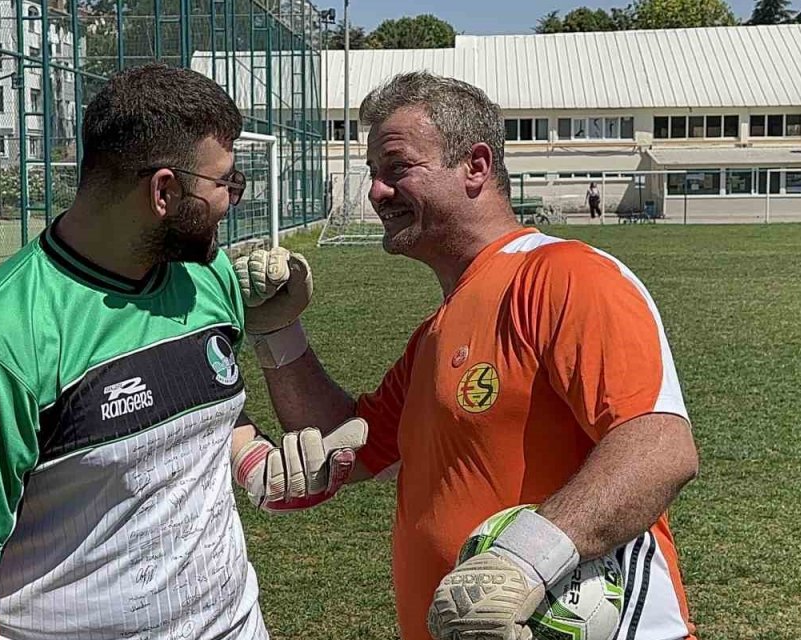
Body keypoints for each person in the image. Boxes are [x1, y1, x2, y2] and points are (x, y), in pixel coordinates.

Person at [0, 63, 365, 640]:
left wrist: (258, 466)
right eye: (226, 183)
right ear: (165, 191)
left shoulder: (210, 278)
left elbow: (210, 415)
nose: (234, 201)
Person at [233, 71, 700, 640]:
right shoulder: (437, 329)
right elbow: (348, 445)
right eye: (374, 175)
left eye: (397, 168)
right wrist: (279, 331)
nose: (376, 192)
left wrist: (525, 560)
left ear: (476, 166)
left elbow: (658, 447)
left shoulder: (566, 275)